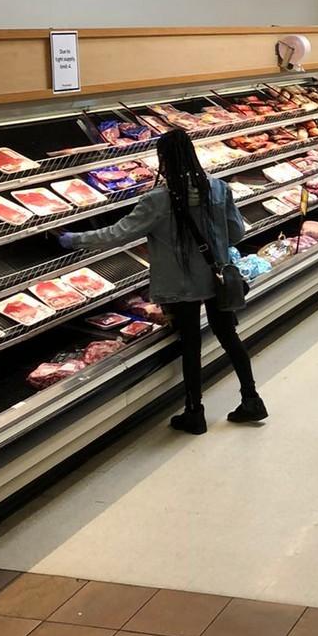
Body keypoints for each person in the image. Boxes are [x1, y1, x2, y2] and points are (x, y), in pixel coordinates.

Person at [57, 128, 265, 434]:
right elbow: (236, 233)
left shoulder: (157, 200)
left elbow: (117, 234)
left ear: (164, 160)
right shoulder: (219, 189)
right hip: (217, 278)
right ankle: (251, 399)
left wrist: (73, 239)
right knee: (229, 337)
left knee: (190, 345)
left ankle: (194, 412)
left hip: (180, 285)